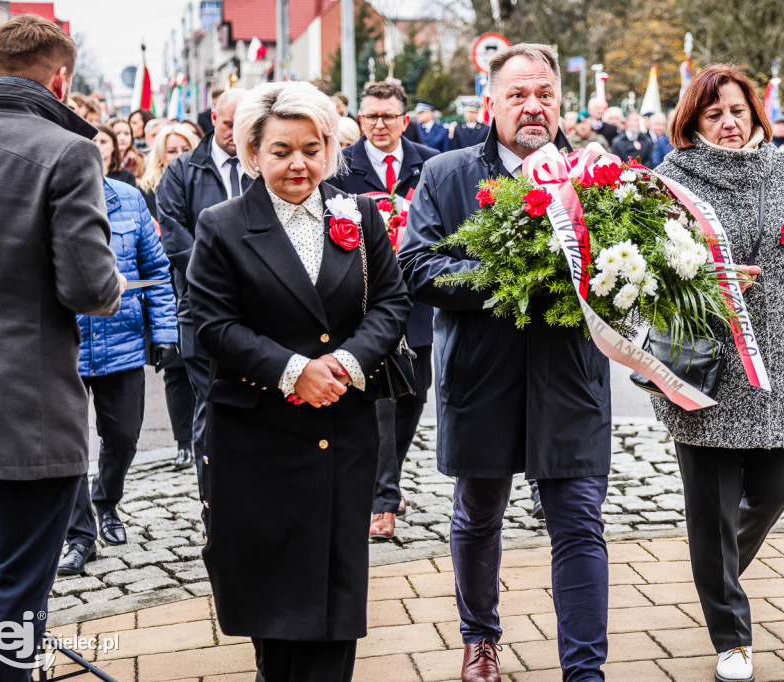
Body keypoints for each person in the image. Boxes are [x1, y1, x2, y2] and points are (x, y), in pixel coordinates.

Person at [399, 43, 612, 682]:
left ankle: (584, 670)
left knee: (578, 521)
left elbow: (627, 273)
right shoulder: (446, 174)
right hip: (481, 374)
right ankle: (480, 637)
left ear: (559, 103)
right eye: (518, 94)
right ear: (491, 102)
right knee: (478, 513)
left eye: (544, 93)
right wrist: (513, 274)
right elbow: (419, 266)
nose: (533, 106)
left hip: (568, 377)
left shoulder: (595, 179)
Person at [186, 80, 410, 682]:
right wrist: (293, 373)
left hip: (343, 428)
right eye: (282, 150)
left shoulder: (358, 214)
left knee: (337, 592)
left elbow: (390, 302)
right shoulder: (222, 224)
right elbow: (209, 322)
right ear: (253, 152)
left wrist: (342, 365)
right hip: (258, 436)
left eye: (312, 149)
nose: (298, 164)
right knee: (274, 597)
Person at [655, 64, 784, 682]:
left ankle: (715, 571)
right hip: (708, 368)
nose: (728, 122)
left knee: (776, 488)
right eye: (713, 114)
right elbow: (647, 281)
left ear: (755, 113)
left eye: (737, 110)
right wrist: (705, 281)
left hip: (783, 363)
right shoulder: (670, 180)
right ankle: (731, 637)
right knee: (710, 509)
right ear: (693, 122)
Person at [0, 15, 123, 679]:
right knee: (16, 597)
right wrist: (112, 282)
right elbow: (87, 286)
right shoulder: (66, 150)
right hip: (24, 414)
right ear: (61, 79)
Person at [329, 82, 437, 539]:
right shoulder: (341, 166)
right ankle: (382, 500)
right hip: (365, 300)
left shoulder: (428, 163)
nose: (378, 124)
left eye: (388, 116)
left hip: (419, 299)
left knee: (415, 393)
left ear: (403, 120)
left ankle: (386, 481)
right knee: (380, 404)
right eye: (370, 116)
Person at [57, 176, 179, 574]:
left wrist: (163, 331)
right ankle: (80, 534)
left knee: (124, 436)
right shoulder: (50, 195)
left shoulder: (127, 199)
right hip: (64, 344)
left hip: (122, 343)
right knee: (67, 445)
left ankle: (106, 501)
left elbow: (156, 268)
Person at [157, 89, 249, 490]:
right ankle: (214, 503)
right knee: (210, 406)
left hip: (257, 307)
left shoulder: (260, 164)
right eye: (229, 124)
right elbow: (175, 238)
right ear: (214, 118)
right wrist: (223, 273)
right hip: (201, 309)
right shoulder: (181, 171)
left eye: (243, 125)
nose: (235, 133)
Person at [139, 122, 201, 469]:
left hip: (193, 279)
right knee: (175, 370)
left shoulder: (202, 184)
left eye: (183, 149)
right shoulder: (146, 190)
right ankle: (183, 441)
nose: (177, 156)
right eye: (171, 151)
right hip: (164, 286)